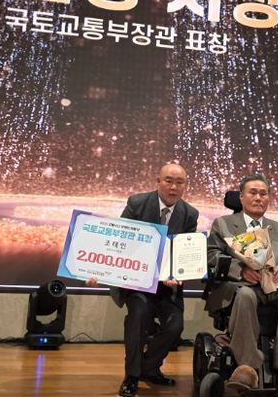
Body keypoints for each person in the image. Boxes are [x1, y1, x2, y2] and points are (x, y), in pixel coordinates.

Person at [89, 163, 199, 397]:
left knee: (175, 326)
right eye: (168, 181)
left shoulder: (190, 214)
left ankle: (148, 367)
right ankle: (132, 376)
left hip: (167, 287)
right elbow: (118, 241)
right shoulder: (137, 203)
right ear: (158, 181)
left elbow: (185, 252)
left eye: (179, 182)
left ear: (185, 186)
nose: (174, 187)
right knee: (138, 316)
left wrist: (178, 274)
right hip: (137, 282)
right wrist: (98, 270)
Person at [205, 173, 278, 392]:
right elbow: (212, 255)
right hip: (240, 286)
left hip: (273, 285)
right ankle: (247, 368)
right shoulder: (223, 224)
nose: (258, 198)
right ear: (241, 197)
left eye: (263, 194)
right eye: (253, 193)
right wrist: (240, 270)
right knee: (245, 295)